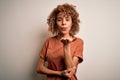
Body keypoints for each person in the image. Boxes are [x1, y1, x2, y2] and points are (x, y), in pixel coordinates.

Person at [36, 3, 84, 80]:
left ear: (72, 23)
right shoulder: (49, 41)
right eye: (59, 20)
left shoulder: (78, 42)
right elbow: (39, 68)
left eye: (67, 19)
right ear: (55, 23)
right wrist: (59, 73)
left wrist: (66, 47)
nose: (63, 23)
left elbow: (71, 71)